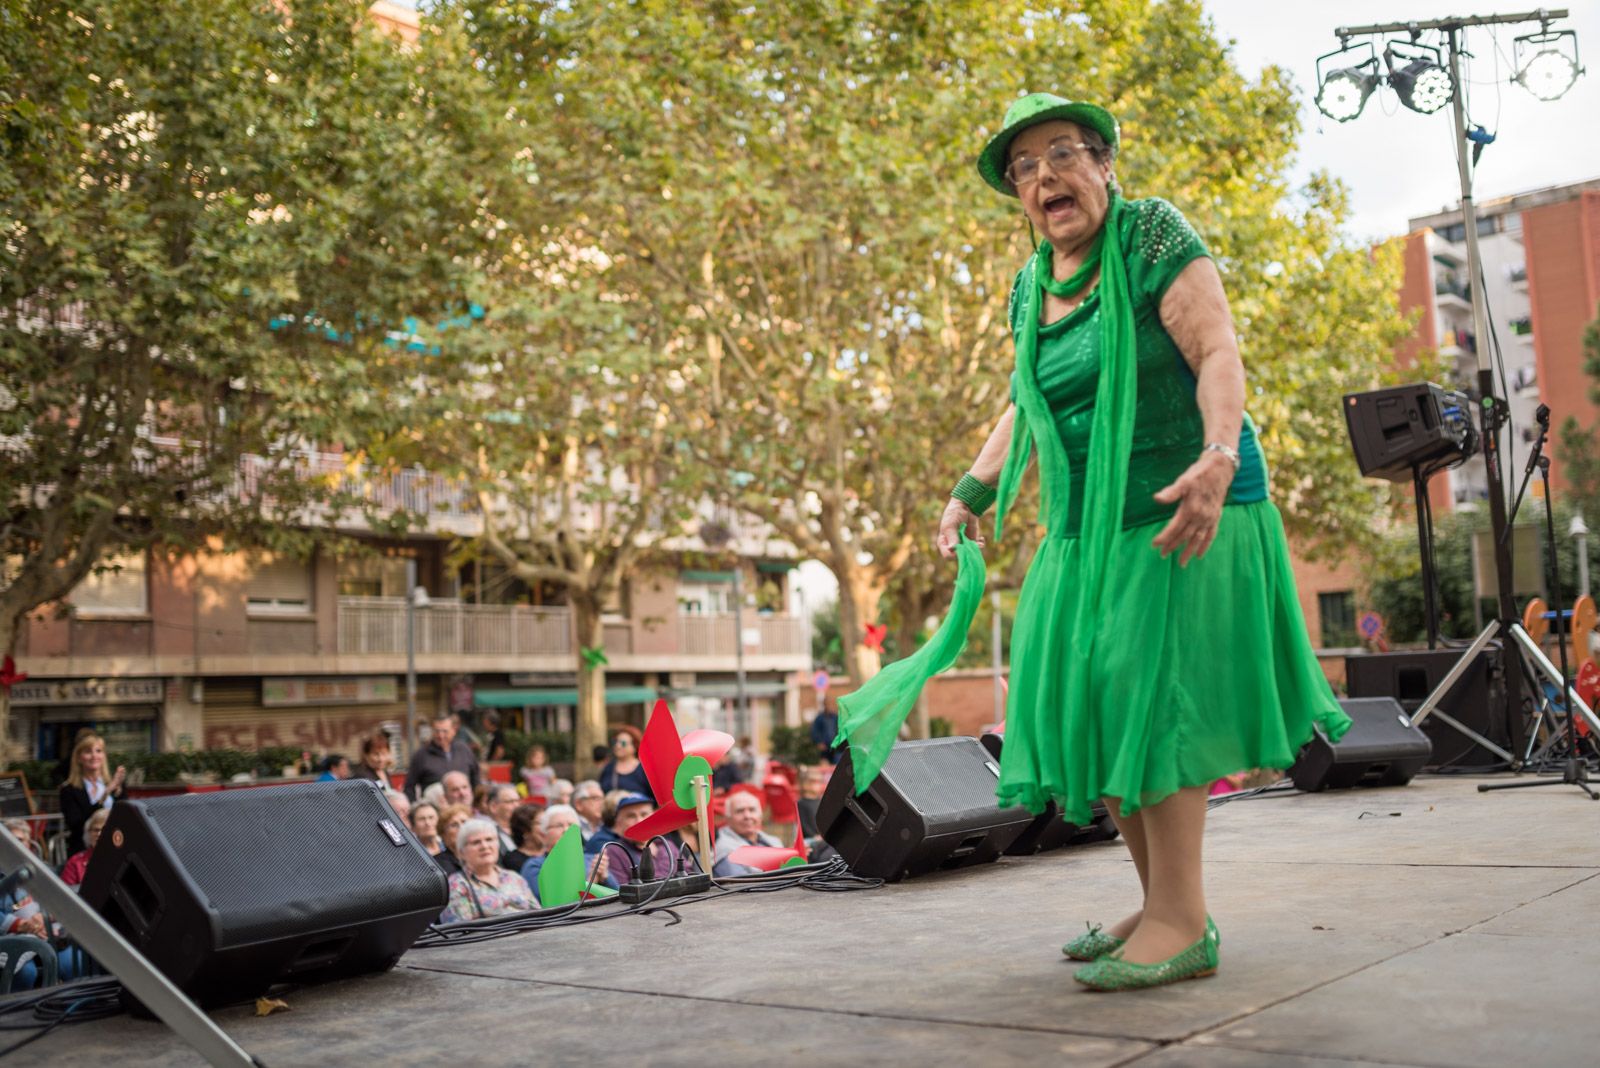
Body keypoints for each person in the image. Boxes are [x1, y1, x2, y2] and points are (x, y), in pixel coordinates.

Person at [840, 92, 1352, 992]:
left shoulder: (1153, 234)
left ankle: (1183, 920)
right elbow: (1028, 398)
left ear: (1106, 163)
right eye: (1024, 168)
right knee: (1093, 704)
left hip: (1187, 502)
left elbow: (1218, 350)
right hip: (1087, 525)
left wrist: (1219, 454)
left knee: (1148, 703)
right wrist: (974, 486)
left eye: (1063, 154)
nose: (1044, 177)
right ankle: (1162, 905)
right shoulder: (1032, 285)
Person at [439, 818, 538, 923]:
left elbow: (538, 916)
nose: (485, 846)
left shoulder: (515, 878)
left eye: (489, 839)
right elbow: (459, 931)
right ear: (461, 852)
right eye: (476, 842)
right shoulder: (457, 885)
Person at [59, 733, 125, 854]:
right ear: (79, 758)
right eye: (88, 751)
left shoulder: (116, 785)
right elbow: (77, 824)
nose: (94, 756)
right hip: (83, 851)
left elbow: (125, 818)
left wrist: (115, 790)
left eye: (98, 751)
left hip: (116, 847)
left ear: (104, 755)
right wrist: (105, 794)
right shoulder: (68, 790)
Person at [403, 712, 478, 800]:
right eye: (437, 731)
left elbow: (476, 779)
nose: (440, 736)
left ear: (453, 731)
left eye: (445, 731)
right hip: (435, 810)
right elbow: (409, 787)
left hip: (463, 809)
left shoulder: (464, 750)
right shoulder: (421, 755)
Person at [713, 791, 784, 876]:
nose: (747, 816)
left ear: (761, 815)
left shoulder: (774, 841)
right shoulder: (724, 849)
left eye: (752, 810)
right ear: (728, 818)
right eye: (739, 811)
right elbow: (741, 885)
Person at [585, 792, 655, 866]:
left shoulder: (661, 843)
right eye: (631, 816)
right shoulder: (605, 844)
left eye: (644, 814)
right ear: (617, 819)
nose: (639, 820)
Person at [60, 808, 109, 888]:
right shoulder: (75, 863)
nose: (99, 834)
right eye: (96, 830)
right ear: (88, 833)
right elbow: (65, 896)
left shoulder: (122, 860)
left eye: (104, 830)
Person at [597, 730, 650, 797]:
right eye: (615, 742)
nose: (618, 746)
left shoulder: (644, 770)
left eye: (623, 743)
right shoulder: (608, 768)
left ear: (635, 746)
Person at [501, 803, 546, 874]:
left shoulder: (552, 853)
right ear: (524, 829)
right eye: (540, 823)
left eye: (547, 822)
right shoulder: (513, 860)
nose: (545, 827)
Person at [432, 803, 472, 878]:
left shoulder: (483, 856)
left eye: (464, 822)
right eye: (454, 825)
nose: (462, 827)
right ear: (443, 834)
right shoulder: (437, 865)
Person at [485, 784, 520, 856]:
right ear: (493, 807)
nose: (517, 806)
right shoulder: (486, 833)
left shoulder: (525, 830)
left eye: (517, 801)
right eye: (510, 802)